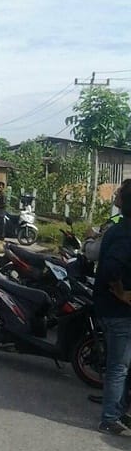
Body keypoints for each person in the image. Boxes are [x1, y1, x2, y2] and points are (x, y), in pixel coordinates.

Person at [93, 182, 131, 436]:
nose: (114, 195)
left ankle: (119, 411)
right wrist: (120, 291)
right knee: (119, 366)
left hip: (115, 309)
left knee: (124, 365)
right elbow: (110, 268)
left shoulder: (119, 228)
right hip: (118, 311)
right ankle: (109, 417)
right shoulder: (125, 232)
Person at [83, 179, 131, 262]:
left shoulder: (119, 228)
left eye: (120, 191)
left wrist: (89, 237)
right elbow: (105, 227)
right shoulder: (117, 219)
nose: (115, 193)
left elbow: (93, 252)